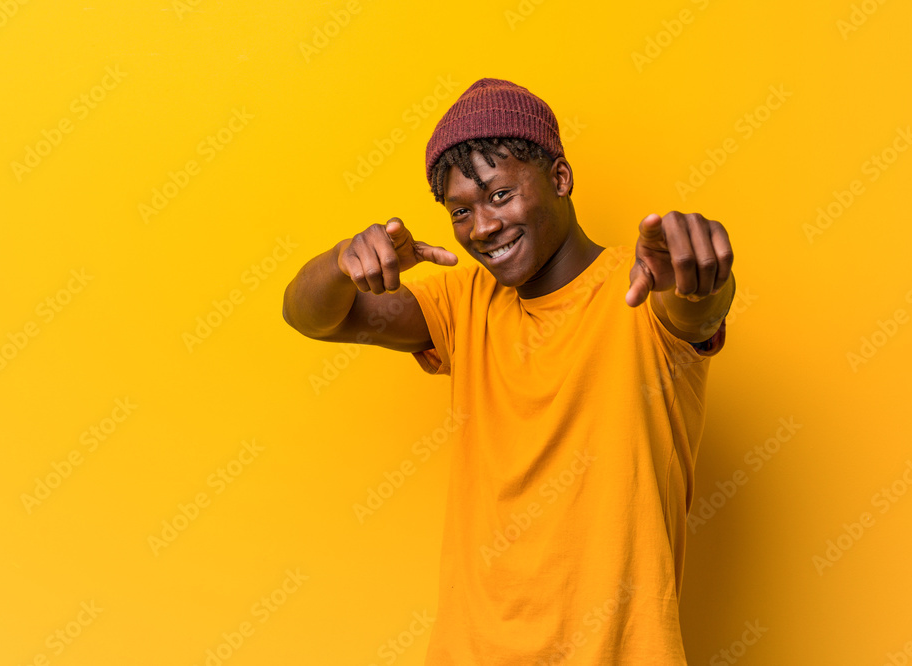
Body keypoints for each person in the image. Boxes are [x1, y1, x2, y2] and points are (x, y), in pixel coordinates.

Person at [283, 77, 735, 665]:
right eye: (460, 212)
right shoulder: (462, 302)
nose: (482, 228)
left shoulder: (642, 286)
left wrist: (703, 278)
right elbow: (312, 317)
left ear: (560, 178)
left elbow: (698, 312)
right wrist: (343, 263)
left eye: (499, 196)